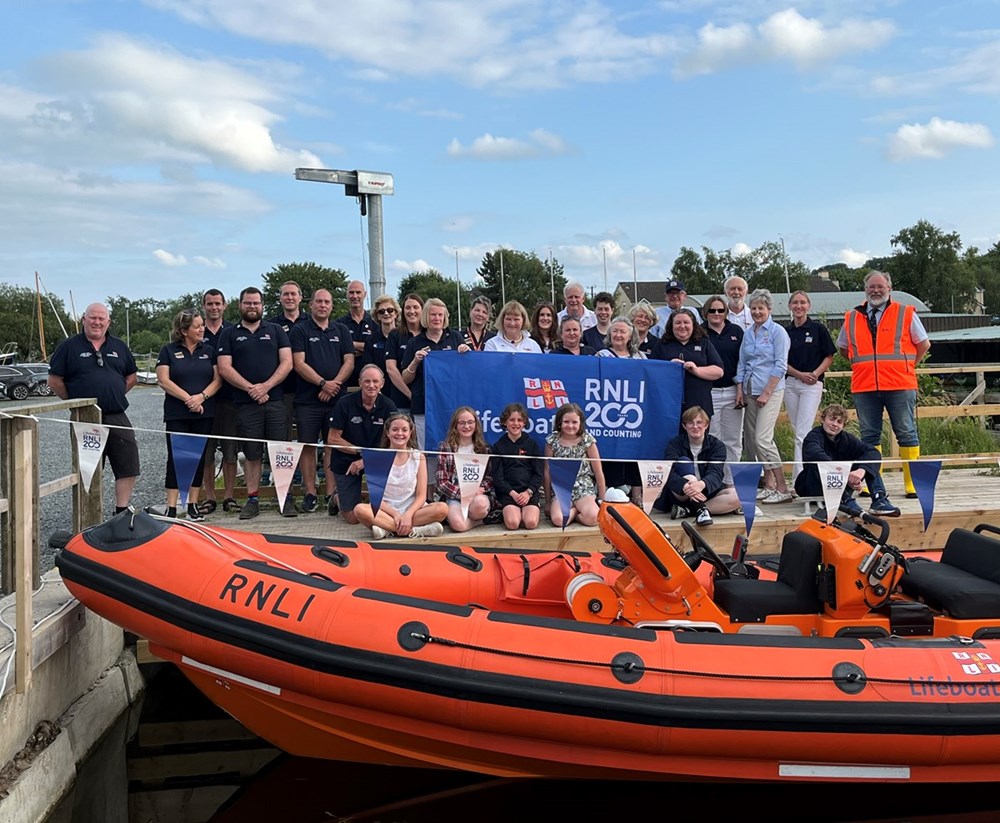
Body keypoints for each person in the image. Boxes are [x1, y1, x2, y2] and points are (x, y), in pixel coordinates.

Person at [838, 270, 930, 505]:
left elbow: (923, 344)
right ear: (865, 289)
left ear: (889, 288)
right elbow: (843, 348)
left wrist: (906, 366)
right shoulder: (851, 316)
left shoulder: (905, 312)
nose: (875, 290)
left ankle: (911, 484)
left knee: (907, 432)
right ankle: (872, 482)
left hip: (900, 383)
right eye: (871, 286)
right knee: (868, 436)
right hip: (865, 385)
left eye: (880, 286)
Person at [49, 302, 140, 514]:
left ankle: (122, 511)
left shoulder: (119, 346)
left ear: (108, 322)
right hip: (85, 418)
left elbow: (131, 377)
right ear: (84, 319)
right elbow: (54, 381)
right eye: (93, 318)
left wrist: (113, 394)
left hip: (117, 414)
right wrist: (76, 402)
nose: (97, 322)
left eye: (101, 319)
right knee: (88, 469)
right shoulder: (68, 347)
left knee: (128, 463)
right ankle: (88, 514)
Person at [215, 286, 293, 520]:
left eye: (256, 303)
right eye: (247, 303)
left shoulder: (276, 330)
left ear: (262, 305)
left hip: (275, 400)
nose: (252, 307)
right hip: (245, 403)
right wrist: (252, 389)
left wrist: (266, 386)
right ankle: (253, 498)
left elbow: (287, 362)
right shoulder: (229, 334)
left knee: (281, 451)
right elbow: (224, 367)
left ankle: (285, 498)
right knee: (251, 453)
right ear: (240, 305)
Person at [290, 288, 355, 513]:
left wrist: (333, 384)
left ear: (331, 305)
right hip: (308, 400)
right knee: (307, 446)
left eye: (327, 302)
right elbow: (298, 363)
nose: (323, 305)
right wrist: (322, 383)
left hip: (336, 399)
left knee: (331, 445)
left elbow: (348, 361)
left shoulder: (342, 330)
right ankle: (310, 492)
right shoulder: (300, 330)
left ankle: (330, 492)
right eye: (319, 301)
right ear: (310, 305)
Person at [154, 309, 221, 520]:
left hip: (204, 412)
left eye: (202, 325)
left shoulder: (208, 350)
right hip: (177, 413)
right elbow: (164, 380)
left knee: (198, 458)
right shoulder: (168, 351)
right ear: (184, 330)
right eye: (197, 326)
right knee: (176, 458)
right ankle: (172, 507)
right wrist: (188, 399)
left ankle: (192, 504)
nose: (202, 329)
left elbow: (217, 380)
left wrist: (201, 397)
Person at [735, 289, 793, 504]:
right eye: (754, 308)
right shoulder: (749, 333)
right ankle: (768, 485)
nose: (757, 311)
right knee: (752, 441)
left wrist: (767, 392)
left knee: (763, 438)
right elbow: (742, 362)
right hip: (749, 390)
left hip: (770, 391)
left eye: (761, 308)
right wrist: (740, 389)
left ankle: (783, 487)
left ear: (769, 309)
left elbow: (781, 364)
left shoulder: (778, 332)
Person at [794, 403, 900, 518]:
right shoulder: (813, 436)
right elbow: (816, 454)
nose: (835, 424)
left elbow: (872, 452)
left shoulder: (846, 438)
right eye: (832, 419)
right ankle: (847, 501)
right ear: (823, 419)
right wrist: (845, 476)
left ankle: (879, 499)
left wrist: (861, 471)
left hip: (841, 485)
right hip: (812, 486)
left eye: (839, 422)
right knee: (820, 465)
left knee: (868, 463)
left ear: (843, 425)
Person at [353, 412, 448, 539]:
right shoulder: (377, 457)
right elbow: (376, 499)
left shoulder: (418, 457)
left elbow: (421, 496)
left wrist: (408, 514)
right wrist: (396, 515)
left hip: (413, 511)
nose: (400, 434)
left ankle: (387, 529)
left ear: (410, 433)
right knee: (359, 510)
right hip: (386, 512)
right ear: (388, 433)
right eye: (395, 430)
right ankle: (414, 530)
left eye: (404, 430)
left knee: (442, 508)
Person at [326, 364, 397, 521]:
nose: (371, 385)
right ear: (360, 382)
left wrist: (366, 459)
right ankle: (337, 498)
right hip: (346, 460)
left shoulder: (389, 406)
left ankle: (362, 497)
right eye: (367, 381)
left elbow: (394, 442)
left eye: (375, 381)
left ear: (382, 383)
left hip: (378, 460)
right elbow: (333, 438)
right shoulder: (344, 403)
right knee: (352, 519)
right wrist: (361, 453)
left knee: (383, 511)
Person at [399, 298, 469, 451]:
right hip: (424, 406)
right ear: (425, 317)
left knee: (453, 449)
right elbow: (405, 378)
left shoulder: (455, 338)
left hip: (451, 404)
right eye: (433, 315)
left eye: (440, 315)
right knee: (427, 451)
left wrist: (466, 354)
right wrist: (415, 362)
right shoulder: (415, 343)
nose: (437, 319)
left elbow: (467, 372)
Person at [653, 406, 741, 526]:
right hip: (681, 493)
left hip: (706, 491)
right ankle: (700, 510)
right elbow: (669, 473)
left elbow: (716, 473)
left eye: (699, 422)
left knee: (738, 496)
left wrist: (701, 484)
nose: (695, 426)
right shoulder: (674, 445)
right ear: (684, 426)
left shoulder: (717, 446)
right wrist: (685, 486)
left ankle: (689, 511)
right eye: (690, 423)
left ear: (706, 425)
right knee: (686, 466)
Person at [785, 290, 836, 482]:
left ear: (808, 305)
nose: (799, 306)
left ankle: (802, 477)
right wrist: (798, 374)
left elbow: (829, 355)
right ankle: (803, 475)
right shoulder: (786, 331)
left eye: (802, 302)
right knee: (796, 429)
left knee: (803, 433)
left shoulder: (817, 329)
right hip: (791, 383)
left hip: (812, 385)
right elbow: (781, 360)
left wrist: (815, 374)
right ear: (790, 306)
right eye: (795, 303)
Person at [199, 288, 239, 514]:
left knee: (231, 451)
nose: (214, 308)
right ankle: (210, 497)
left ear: (224, 306)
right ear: (204, 306)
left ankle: (230, 496)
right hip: (205, 401)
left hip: (230, 399)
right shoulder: (195, 330)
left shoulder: (233, 331)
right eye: (210, 304)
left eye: (218, 304)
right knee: (207, 453)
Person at [702, 295, 744, 486]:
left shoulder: (736, 331)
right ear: (706, 313)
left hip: (732, 391)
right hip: (709, 392)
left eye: (720, 310)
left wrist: (740, 389)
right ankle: (713, 483)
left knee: (733, 440)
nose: (716, 314)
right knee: (712, 439)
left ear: (726, 312)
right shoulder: (699, 332)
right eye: (712, 310)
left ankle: (731, 483)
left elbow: (742, 363)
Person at [544, 403, 606, 527]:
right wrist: (547, 502)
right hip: (561, 488)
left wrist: (602, 499)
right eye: (566, 422)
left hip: (583, 487)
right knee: (558, 520)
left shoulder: (587, 440)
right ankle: (573, 512)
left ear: (580, 423)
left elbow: (598, 471)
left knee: (594, 517)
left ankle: (577, 515)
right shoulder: (552, 441)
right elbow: (547, 471)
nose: (570, 426)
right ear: (560, 422)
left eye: (574, 422)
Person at [435, 406, 495, 532]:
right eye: (462, 423)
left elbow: (490, 478)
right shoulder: (445, 448)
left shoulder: (485, 449)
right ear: (455, 426)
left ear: (476, 424)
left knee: (480, 505)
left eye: (470, 422)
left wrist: (477, 490)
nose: (466, 426)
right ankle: (483, 521)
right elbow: (442, 483)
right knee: (458, 525)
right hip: (455, 496)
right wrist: (464, 492)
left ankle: (476, 515)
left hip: (477, 497)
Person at [659, 308, 723, 419]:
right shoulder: (662, 344)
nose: (682, 326)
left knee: (697, 435)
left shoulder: (704, 343)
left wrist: (696, 370)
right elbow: (652, 372)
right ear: (671, 325)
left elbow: (719, 371)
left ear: (693, 325)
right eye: (678, 323)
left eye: (686, 322)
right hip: (669, 404)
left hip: (699, 403)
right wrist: (669, 367)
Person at [266, 280, 308, 441]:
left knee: (307, 438)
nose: (290, 297)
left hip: (308, 390)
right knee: (282, 438)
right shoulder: (270, 325)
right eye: (286, 294)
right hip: (282, 390)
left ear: (300, 297)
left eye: (293, 294)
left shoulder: (311, 322)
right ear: (280, 298)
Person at [490, 402, 543, 530]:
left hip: (528, 493)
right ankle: (504, 513)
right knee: (513, 524)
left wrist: (528, 492)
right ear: (504, 422)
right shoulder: (498, 446)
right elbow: (498, 478)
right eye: (512, 420)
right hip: (509, 494)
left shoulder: (532, 444)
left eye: (520, 420)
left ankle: (527, 510)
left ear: (524, 423)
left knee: (530, 523)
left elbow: (539, 474)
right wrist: (513, 494)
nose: (516, 423)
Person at [385, 293, 424, 411]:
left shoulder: (430, 334)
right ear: (402, 312)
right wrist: (410, 395)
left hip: (426, 403)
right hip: (401, 401)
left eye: (416, 307)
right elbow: (391, 369)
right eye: (408, 308)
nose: (412, 311)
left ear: (423, 310)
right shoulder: (395, 335)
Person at [338, 279, 377, 387]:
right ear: (347, 295)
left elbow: (377, 349)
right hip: (344, 383)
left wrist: (351, 345)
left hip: (370, 383)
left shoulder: (375, 324)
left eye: (358, 292)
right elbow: (337, 350)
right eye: (351, 292)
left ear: (364, 294)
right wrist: (366, 348)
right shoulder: (338, 325)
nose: (355, 296)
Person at [363, 294, 400, 395]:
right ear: (377, 316)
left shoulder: (405, 337)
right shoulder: (371, 340)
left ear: (396, 313)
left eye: (390, 310)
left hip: (402, 390)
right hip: (380, 393)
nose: (386, 313)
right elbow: (368, 366)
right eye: (381, 311)